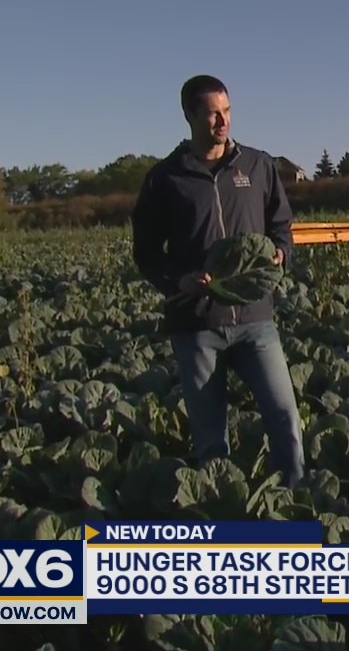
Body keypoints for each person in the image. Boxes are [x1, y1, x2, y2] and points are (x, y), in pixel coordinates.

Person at [130, 74, 306, 488]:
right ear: (189, 116)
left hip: (255, 318)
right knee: (210, 434)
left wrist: (281, 252)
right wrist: (179, 281)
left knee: (284, 413)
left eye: (226, 112)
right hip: (196, 323)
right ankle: (218, 507)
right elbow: (147, 252)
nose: (221, 122)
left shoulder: (257, 165)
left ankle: (295, 501)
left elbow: (281, 225)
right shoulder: (166, 178)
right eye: (211, 114)